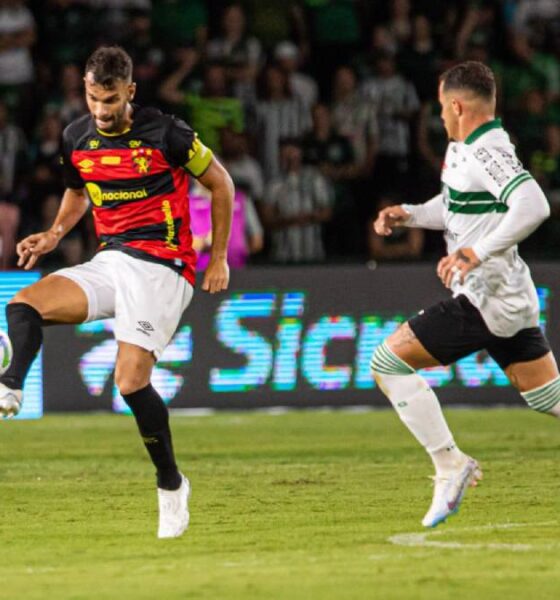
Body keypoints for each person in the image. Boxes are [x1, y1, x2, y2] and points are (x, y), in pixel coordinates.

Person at [0, 46, 234, 539]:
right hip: (112, 258)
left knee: (129, 383)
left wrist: (217, 258)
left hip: (164, 267)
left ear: (130, 91)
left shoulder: (168, 133)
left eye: (109, 99)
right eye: (92, 98)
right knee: (23, 305)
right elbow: (78, 190)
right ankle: (10, 385)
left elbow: (221, 184)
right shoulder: (76, 138)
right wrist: (54, 235)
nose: (101, 110)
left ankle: (171, 484)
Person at [371, 61, 558, 528]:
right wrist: (410, 215)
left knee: (387, 363)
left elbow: (534, 204)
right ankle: (450, 464)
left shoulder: (487, 151)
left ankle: (450, 463)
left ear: (456, 105)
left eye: (440, 107)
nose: (439, 116)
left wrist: (477, 251)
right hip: (505, 298)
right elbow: (458, 207)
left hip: (485, 300)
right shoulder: (464, 150)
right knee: (549, 399)